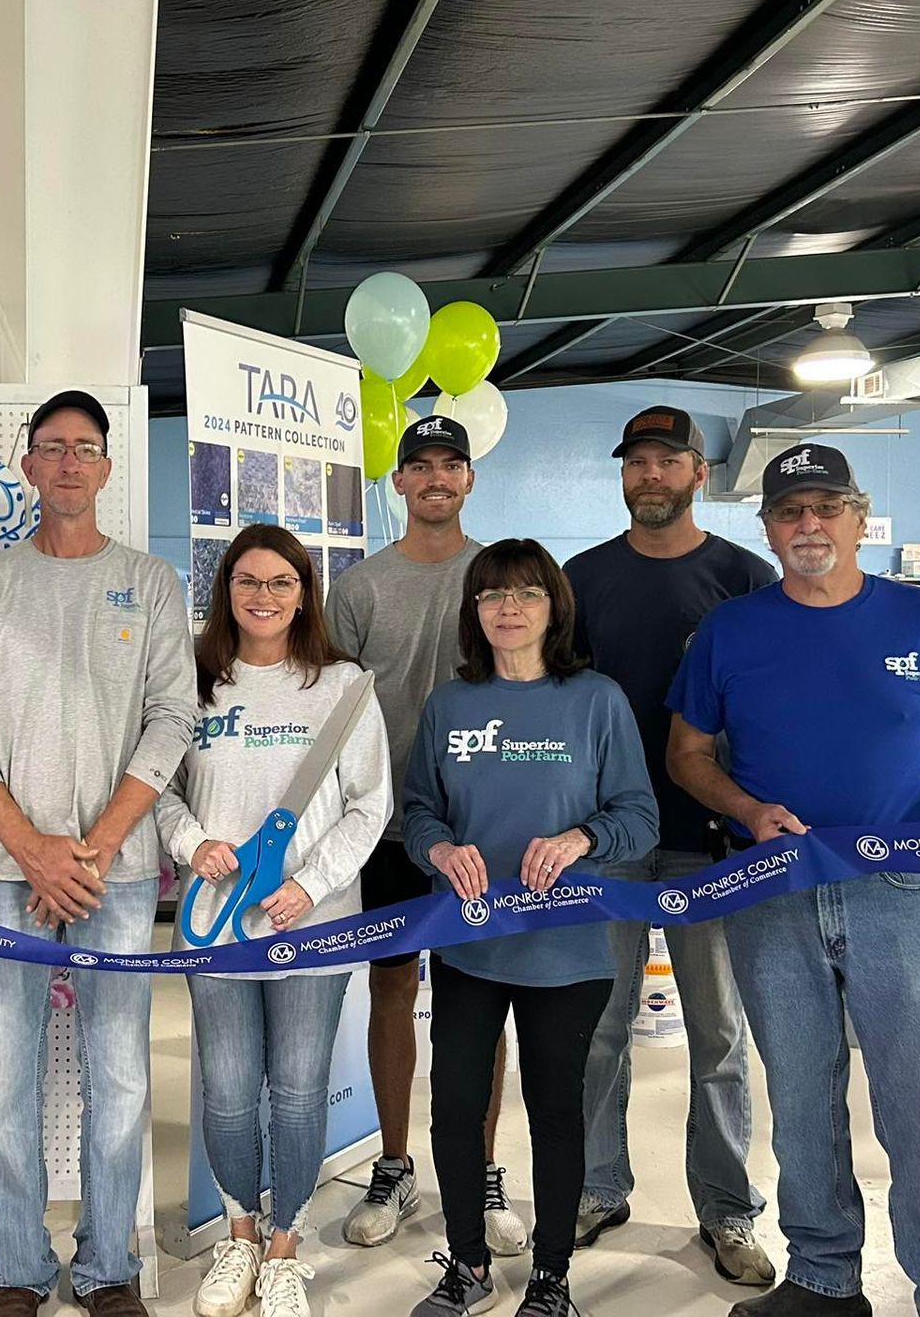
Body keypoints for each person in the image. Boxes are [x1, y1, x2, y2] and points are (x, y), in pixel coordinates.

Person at [666, 442, 920, 1317]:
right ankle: (822, 1280)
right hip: (772, 890)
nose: (808, 525)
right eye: (788, 512)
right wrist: (747, 809)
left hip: (899, 892)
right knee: (802, 1098)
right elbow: (688, 754)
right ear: (769, 528)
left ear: (857, 518)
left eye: (824, 507)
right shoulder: (733, 631)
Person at [0, 389, 197, 1317]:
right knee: (6, 1076)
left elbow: (174, 720)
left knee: (119, 1079)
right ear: (31, 466)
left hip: (116, 879)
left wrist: (93, 845)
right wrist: (34, 850)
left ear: (107, 468)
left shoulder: (153, 584)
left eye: (88, 448)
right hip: (4, 877)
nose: (72, 463)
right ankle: (16, 1266)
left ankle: (106, 1270)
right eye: (54, 448)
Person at [403, 538, 658, 1317]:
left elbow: (639, 816)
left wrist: (583, 839)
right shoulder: (450, 704)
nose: (507, 609)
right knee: (454, 1106)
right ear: (473, 612)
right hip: (471, 946)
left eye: (526, 594)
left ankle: (550, 1278)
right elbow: (417, 811)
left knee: (556, 1110)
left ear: (555, 607)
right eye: (490, 596)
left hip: (569, 950)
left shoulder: (597, 700)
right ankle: (469, 1266)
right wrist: (441, 848)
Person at [563, 406, 777, 1285]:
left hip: (710, 842)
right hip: (608, 842)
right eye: (635, 462)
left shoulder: (744, 576)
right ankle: (596, 1186)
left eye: (666, 460)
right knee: (599, 1028)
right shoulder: (581, 578)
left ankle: (727, 1211)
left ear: (698, 472)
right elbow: (559, 705)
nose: (649, 475)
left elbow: (769, 705)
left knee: (719, 1034)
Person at [159, 525, 391, 1317]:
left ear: (305, 592)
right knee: (226, 1093)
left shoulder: (344, 686)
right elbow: (157, 789)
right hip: (214, 928)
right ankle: (239, 1234)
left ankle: (286, 1245)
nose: (264, 596)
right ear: (226, 590)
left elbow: (369, 804)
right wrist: (195, 844)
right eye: (248, 581)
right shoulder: (192, 684)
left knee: (297, 1093)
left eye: (281, 581)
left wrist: (312, 885)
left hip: (314, 925)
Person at [325, 414, 526, 1256]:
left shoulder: (503, 579)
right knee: (393, 993)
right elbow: (327, 713)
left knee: (483, 1004)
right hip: (390, 830)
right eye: (422, 465)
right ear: (399, 482)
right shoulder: (360, 586)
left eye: (453, 463)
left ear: (470, 480)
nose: (437, 477)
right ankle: (397, 1164)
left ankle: (479, 1175)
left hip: (488, 832)